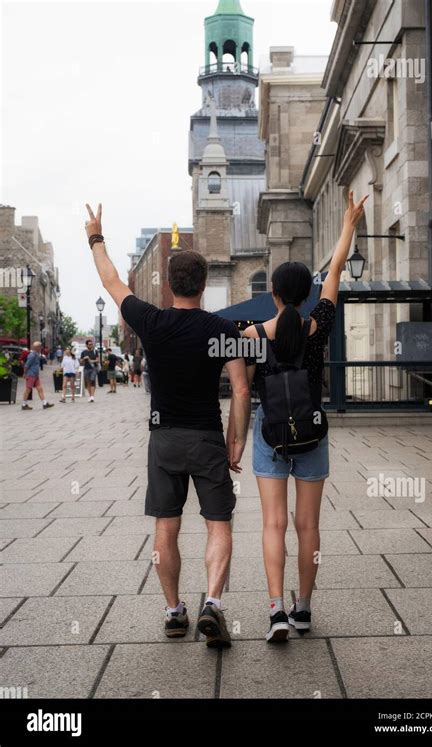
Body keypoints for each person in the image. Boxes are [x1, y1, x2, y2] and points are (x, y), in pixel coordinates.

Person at [85, 203, 250, 647]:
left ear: (171, 284)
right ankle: (212, 603)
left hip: (164, 440)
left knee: (166, 526)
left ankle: (174, 611)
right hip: (207, 438)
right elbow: (240, 390)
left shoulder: (152, 322)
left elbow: (111, 281)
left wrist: (95, 237)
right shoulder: (223, 330)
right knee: (219, 523)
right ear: (203, 283)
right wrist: (236, 441)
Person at [231, 190, 368, 642]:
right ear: (307, 294)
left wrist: (233, 439)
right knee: (309, 525)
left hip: (270, 436)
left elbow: (242, 387)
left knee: (273, 523)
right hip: (312, 435)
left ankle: (276, 613)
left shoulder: (251, 333)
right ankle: (304, 609)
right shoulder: (319, 324)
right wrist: (349, 223)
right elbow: (335, 272)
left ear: (271, 294)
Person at [21, 341, 55, 411]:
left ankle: (45, 403)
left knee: (40, 389)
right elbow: (27, 365)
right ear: (36, 347)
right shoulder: (32, 355)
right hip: (31, 375)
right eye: (40, 346)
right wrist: (24, 373)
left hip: (35, 375)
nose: (41, 347)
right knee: (28, 389)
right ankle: (24, 404)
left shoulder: (37, 354)